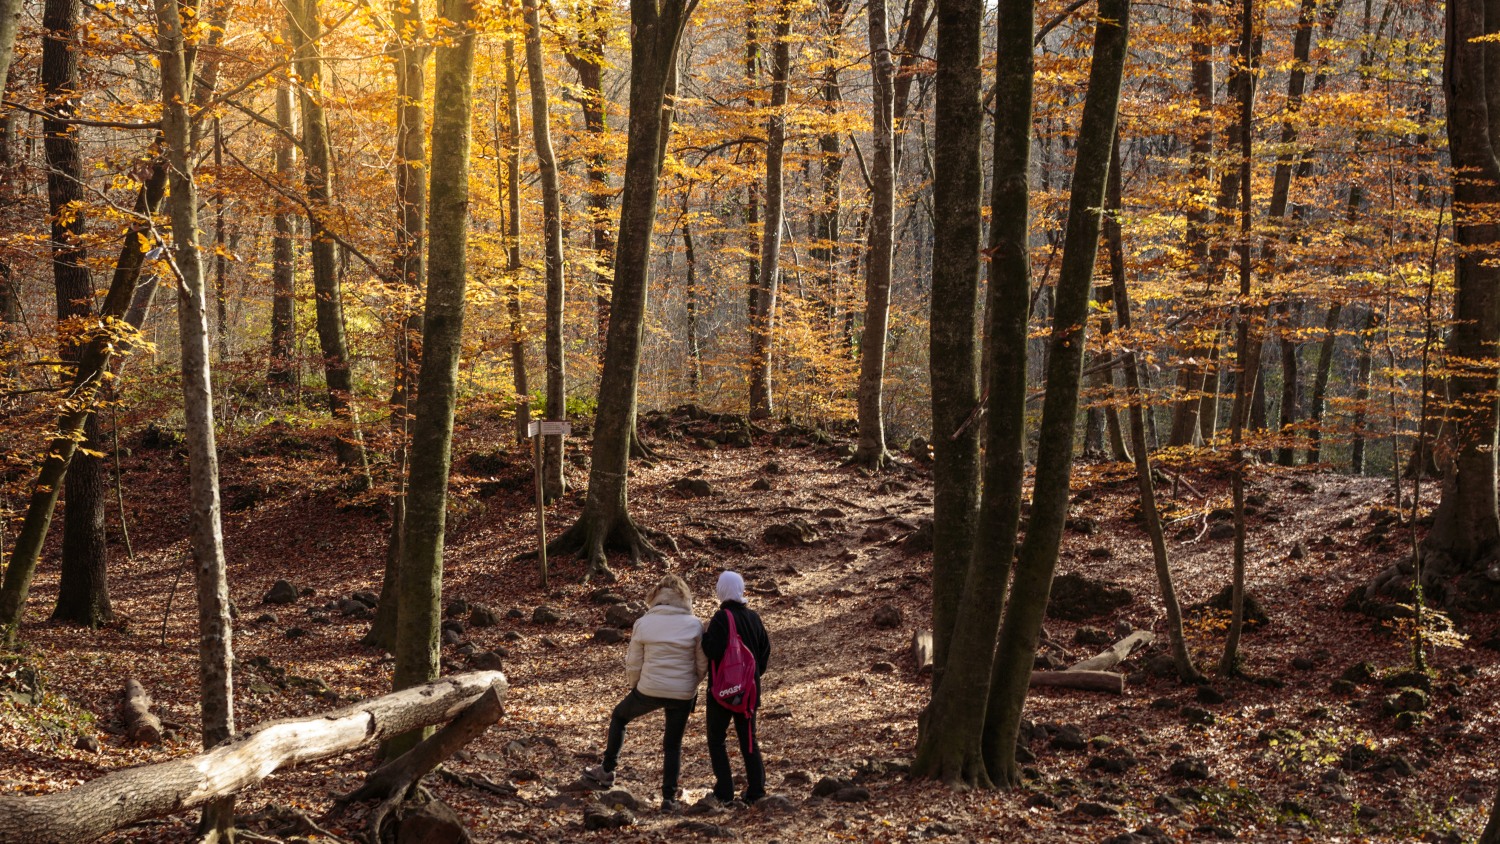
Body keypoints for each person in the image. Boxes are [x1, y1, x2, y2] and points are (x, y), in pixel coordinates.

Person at [584, 574, 707, 811]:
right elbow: (702, 664)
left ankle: (607, 770)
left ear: (657, 597)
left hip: (649, 688)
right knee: (673, 745)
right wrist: (692, 685)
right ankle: (669, 799)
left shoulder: (643, 623)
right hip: (683, 692)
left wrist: (636, 686)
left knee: (620, 716)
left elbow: (633, 662)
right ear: (684, 598)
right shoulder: (695, 624)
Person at [701, 570, 771, 805]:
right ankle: (757, 790)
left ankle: (724, 791)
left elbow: (712, 651)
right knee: (748, 738)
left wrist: (703, 637)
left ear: (722, 590)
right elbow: (764, 653)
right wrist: (750, 678)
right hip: (749, 692)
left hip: (722, 693)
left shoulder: (721, 618)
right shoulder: (754, 617)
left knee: (716, 738)